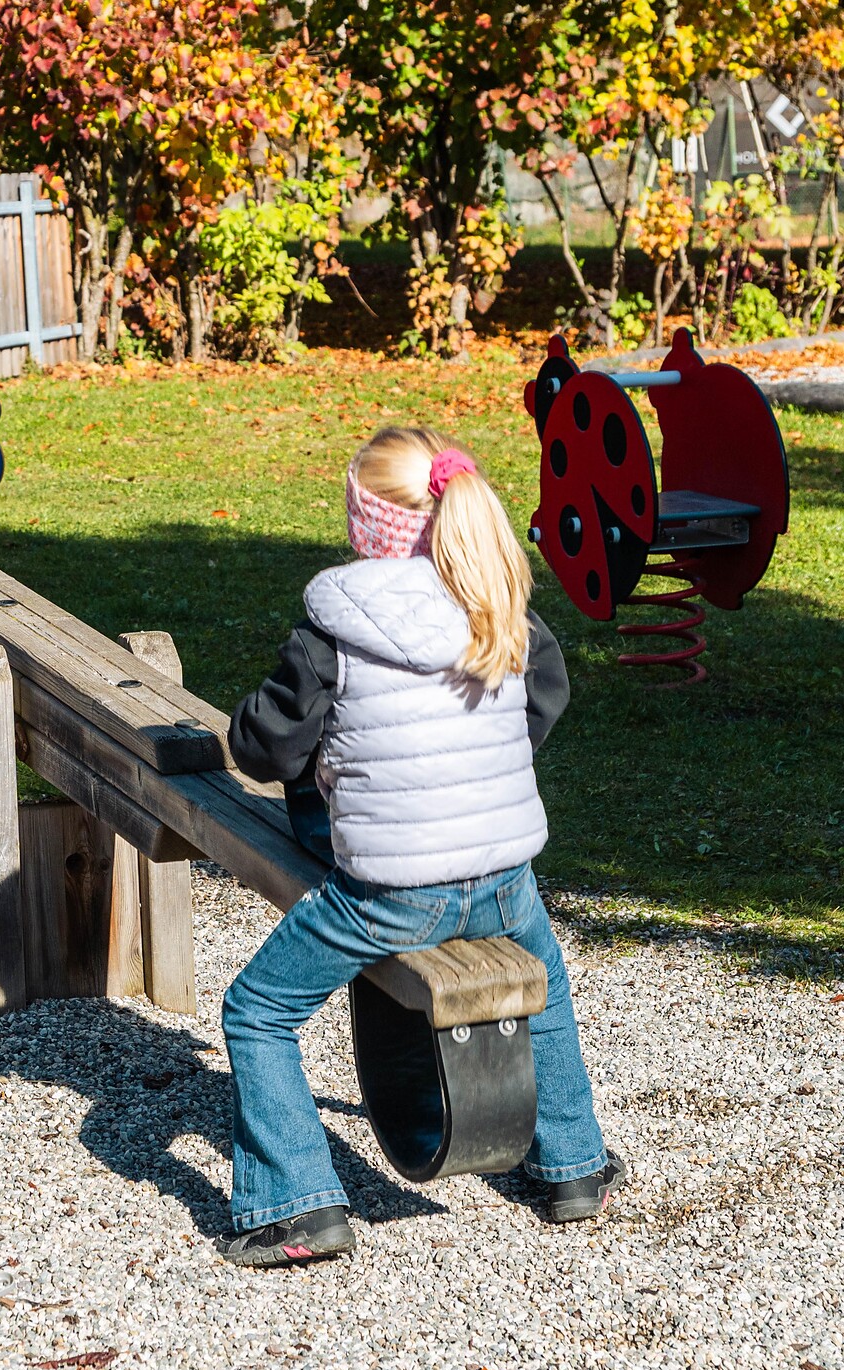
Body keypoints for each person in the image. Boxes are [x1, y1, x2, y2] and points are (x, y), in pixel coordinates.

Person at [220, 424, 624, 1269]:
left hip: (394, 889)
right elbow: (545, 694)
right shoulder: (497, 597)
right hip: (505, 872)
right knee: (543, 990)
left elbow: (268, 752)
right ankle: (574, 1168)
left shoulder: (336, 621)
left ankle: (297, 1203)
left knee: (258, 1011)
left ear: (367, 524)